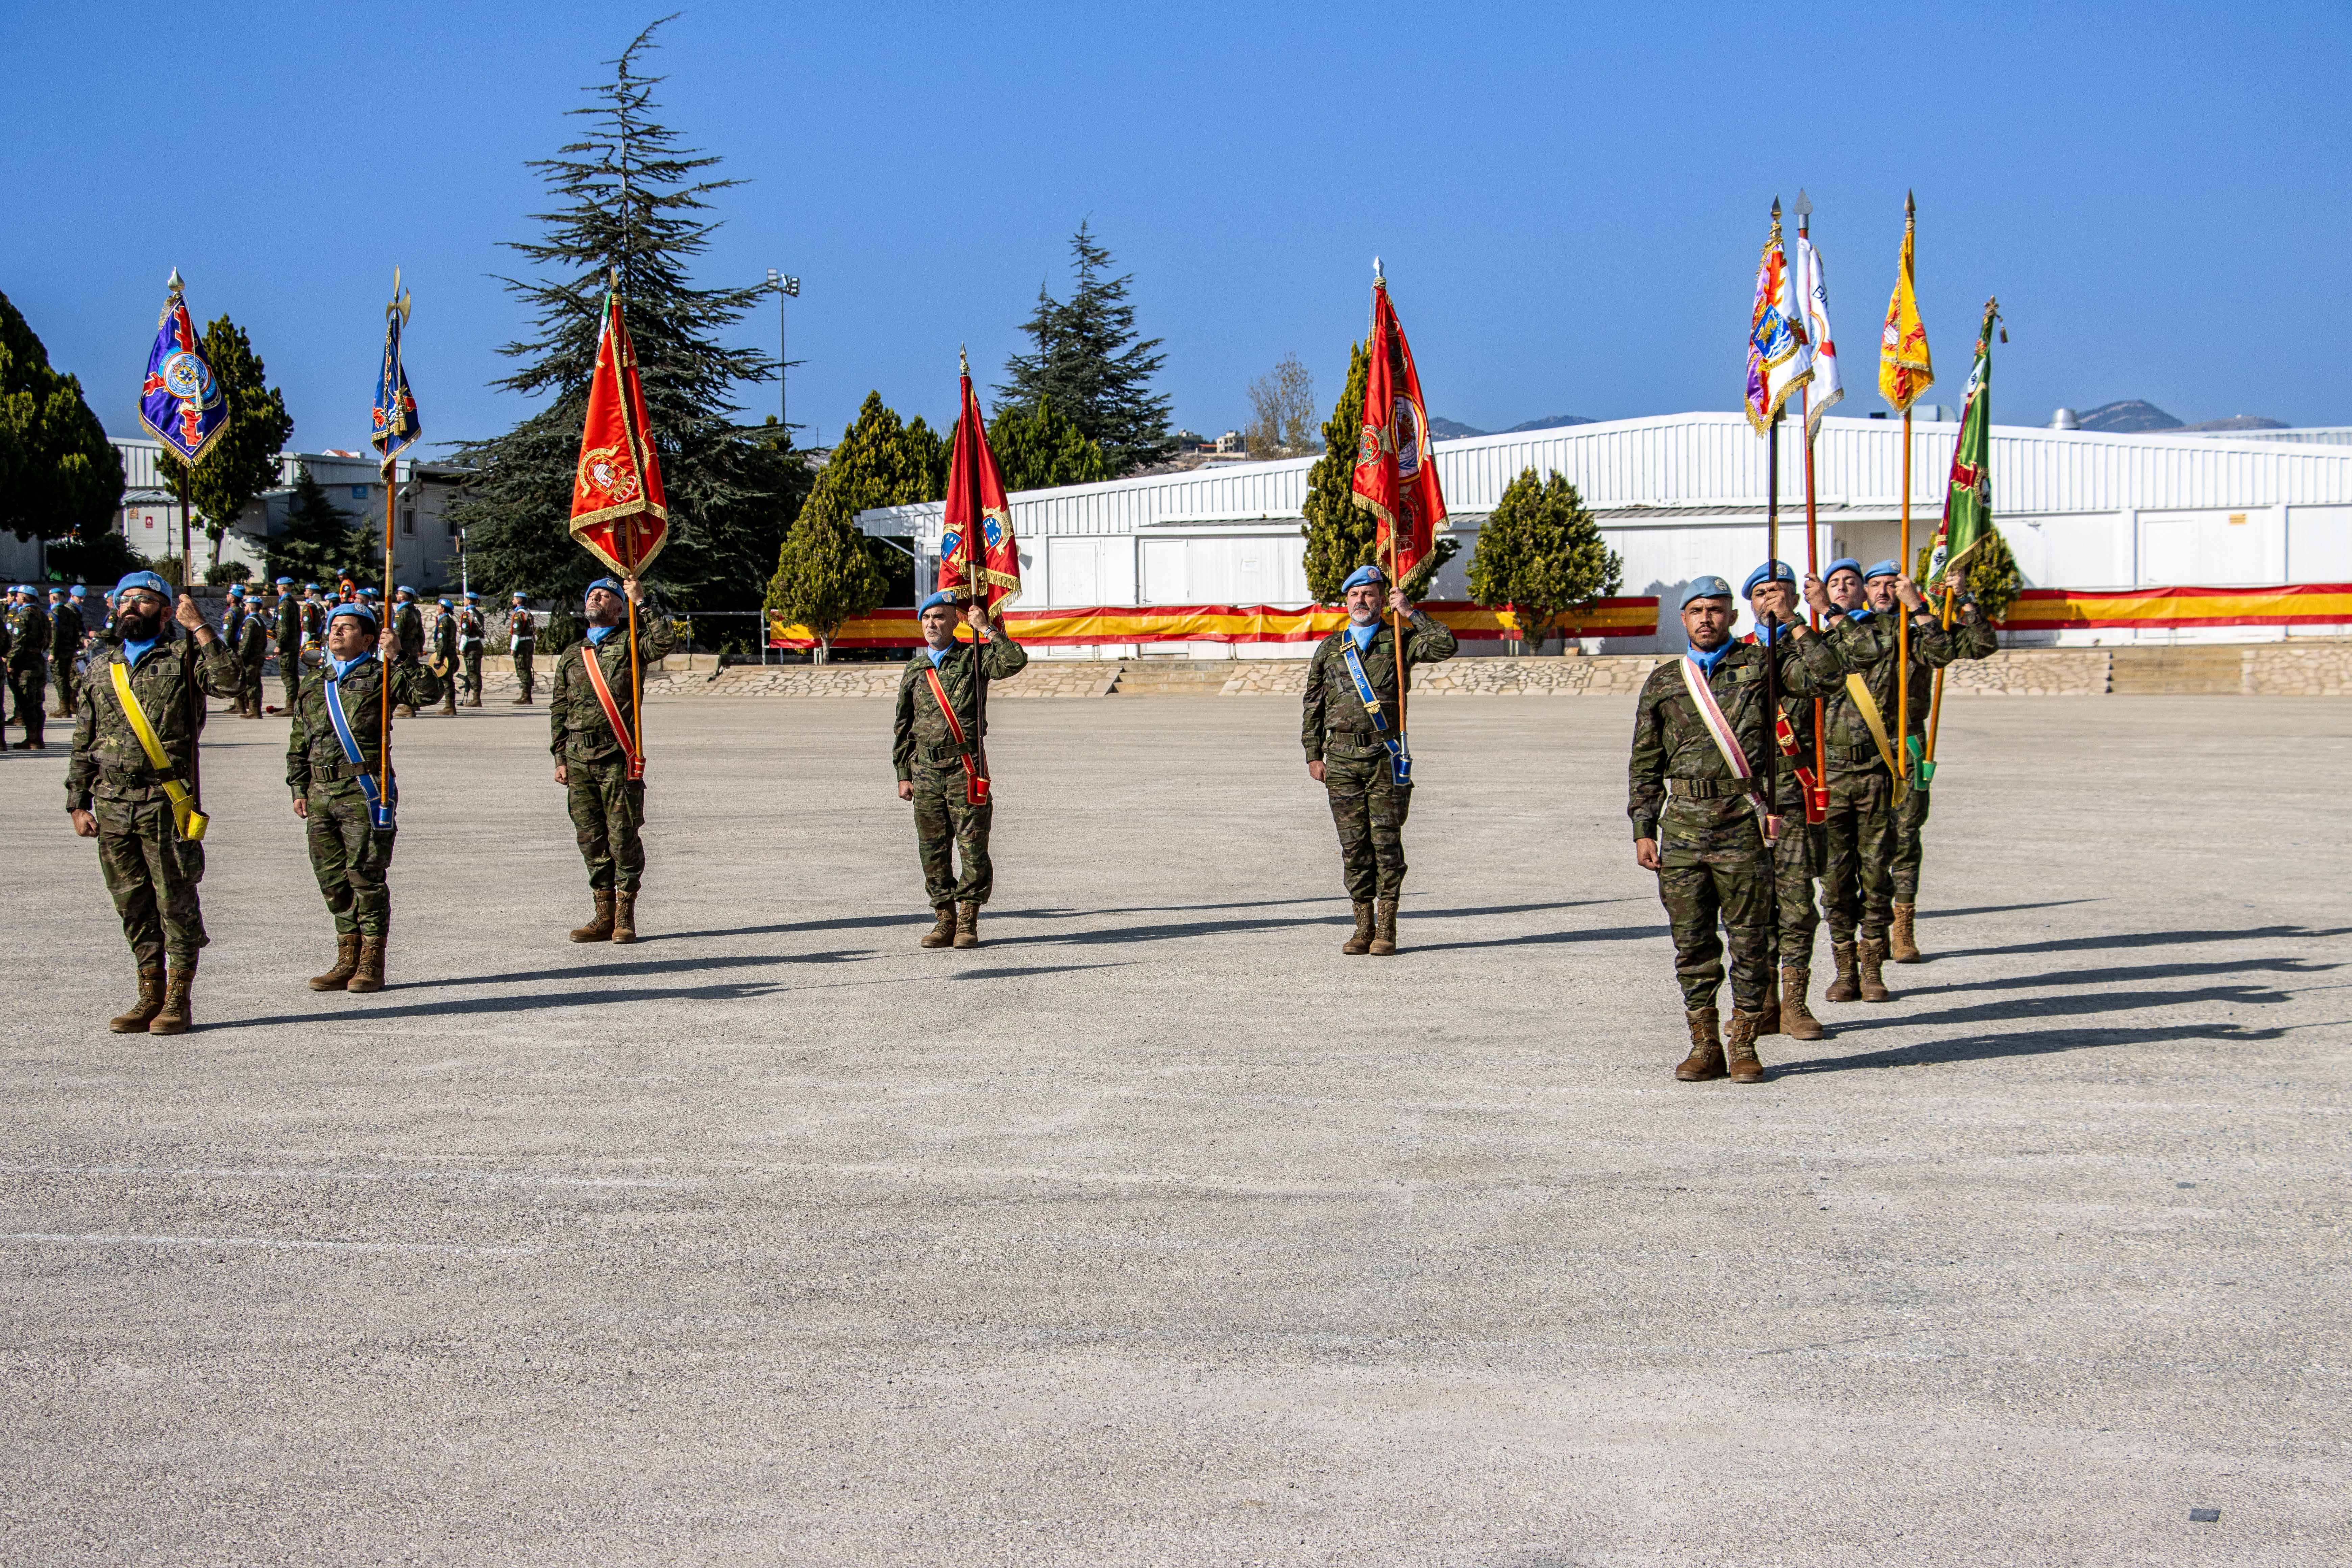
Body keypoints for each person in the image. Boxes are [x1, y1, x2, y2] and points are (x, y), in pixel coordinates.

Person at [1629, 575, 1847, 1084]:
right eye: (1697, 610)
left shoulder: (1761, 666)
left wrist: (1793, 620)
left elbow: (1829, 679)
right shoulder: (1666, 679)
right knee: (1693, 945)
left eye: (1717, 609)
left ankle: (1745, 1041)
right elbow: (1644, 760)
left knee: (1750, 941)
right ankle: (1704, 1044)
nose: (1707, 618)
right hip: (1681, 828)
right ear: (1683, 619)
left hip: (1741, 824)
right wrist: (1643, 826)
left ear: (1732, 616)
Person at [65, 572, 240, 1034]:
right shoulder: (102, 666)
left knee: (175, 903)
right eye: (125, 599)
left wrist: (200, 627)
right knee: (132, 904)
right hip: (111, 802)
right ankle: (149, 994)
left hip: (166, 803)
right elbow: (84, 737)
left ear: (165, 612)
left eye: (143, 601)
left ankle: (178, 1001)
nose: (131, 607)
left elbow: (231, 684)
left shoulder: (184, 658)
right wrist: (76, 802)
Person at [1736, 559, 1864, 1042]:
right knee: (1751, 907)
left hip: (1793, 794)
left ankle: (1794, 1003)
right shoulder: (1736, 654)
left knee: (1795, 904)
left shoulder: (1810, 647)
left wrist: (1800, 620)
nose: (1772, 599)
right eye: (1764, 592)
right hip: (1745, 801)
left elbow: (1840, 672)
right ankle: (1761, 1003)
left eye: (1782, 591)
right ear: (1749, 602)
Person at [1302, 562, 1457, 956]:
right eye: (1354, 594)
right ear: (1346, 600)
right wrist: (1312, 753)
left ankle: (1386, 930)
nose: (1361, 600)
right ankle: (1362, 928)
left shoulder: (1400, 641)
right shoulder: (1330, 648)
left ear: (1382, 600)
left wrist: (1411, 613)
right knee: (1354, 846)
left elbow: (1446, 644)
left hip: (1384, 757)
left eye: (1369, 594)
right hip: (1340, 760)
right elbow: (1313, 704)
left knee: (1386, 843)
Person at [287, 601, 424, 994]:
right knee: (331, 879)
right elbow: (300, 738)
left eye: (347, 628)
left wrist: (399, 655)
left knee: (365, 875)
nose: (336, 632)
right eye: (334, 626)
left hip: (363, 789)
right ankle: (347, 955)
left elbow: (425, 692)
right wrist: (298, 785)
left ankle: (371, 961)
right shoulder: (316, 681)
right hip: (319, 792)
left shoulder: (381, 673)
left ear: (366, 638)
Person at [892, 589, 1028, 949]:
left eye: (939, 617)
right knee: (932, 849)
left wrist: (988, 630)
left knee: (972, 846)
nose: (932, 624)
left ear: (957, 620)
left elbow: (1015, 661)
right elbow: (904, 726)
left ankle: (968, 919)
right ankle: (944, 918)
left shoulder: (974, 657)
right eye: (926, 618)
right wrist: (903, 774)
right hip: (924, 770)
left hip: (965, 768)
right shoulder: (915, 668)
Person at [550, 575, 673, 943]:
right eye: (592, 593)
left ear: (619, 608)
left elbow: (666, 641)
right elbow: (559, 706)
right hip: (577, 757)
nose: (596, 598)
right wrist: (559, 756)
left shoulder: (632, 643)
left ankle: (625, 915)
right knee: (590, 838)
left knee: (622, 838)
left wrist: (642, 602)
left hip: (616, 755)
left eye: (606, 595)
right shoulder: (574, 653)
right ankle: (602, 914)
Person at [1886, 564, 1999, 962]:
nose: (1884, 591)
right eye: (1876, 585)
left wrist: (1964, 598)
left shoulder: (1924, 632)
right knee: (1857, 846)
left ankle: (1903, 927)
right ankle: (1868, 928)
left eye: (1892, 585)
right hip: (1857, 751)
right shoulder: (1852, 633)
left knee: (1905, 838)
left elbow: (1981, 645)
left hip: (1908, 744)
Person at [8, 582, 53, 750]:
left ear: (25, 598)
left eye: (19, 595)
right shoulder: (42, 615)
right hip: (39, 661)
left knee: (27, 702)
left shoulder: (24, 616)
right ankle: (38, 739)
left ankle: (32, 740)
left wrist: (11, 662)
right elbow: (49, 638)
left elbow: (18, 642)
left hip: (25, 663)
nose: (17, 598)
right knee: (37, 703)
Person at [235, 586, 271, 717]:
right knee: (256, 683)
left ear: (250, 608)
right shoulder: (260, 621)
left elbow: (245, 643)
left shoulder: (250, 622)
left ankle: (254, 711)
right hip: (258, 657)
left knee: (251, 684)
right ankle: (255, 710)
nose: (244, 609)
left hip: (250, 659)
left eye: (246, 607)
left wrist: (240, 657)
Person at [49, 587, 84, 719]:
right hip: (70, 651)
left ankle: (65, 708)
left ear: (53, 598)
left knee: (60, 679)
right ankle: (69, 705)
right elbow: (77, 632)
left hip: (59, 652)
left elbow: (54, 635)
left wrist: (52, 653)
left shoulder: (55, 612)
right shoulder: (70, 612)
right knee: (67, 677)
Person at [391, 586, 426, 717]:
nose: (397, 596)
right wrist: (420, 648)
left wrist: (394, 650)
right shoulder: (415, 611)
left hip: (403, 648)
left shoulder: (403, 613)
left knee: (402, 676)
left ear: (404, 597)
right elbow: (421, 632)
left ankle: (407, 708)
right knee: (412, 675)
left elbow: (397, 633)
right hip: (413, 647)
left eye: (399, 594)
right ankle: (413, 703)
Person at [273, 578, 303, 714]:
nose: (277, 590)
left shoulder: (284, 605)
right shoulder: (294, 604)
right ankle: (295, 704)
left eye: (278, 587)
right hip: (294, 644)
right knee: (293, 674)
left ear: (283, 588)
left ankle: (290, 706)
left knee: (288, 675)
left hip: (287, 646)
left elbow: (283, 627)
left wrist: (280, 645)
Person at [429, 597, 460, 715]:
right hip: (451, 653)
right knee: (449, 681)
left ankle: (450, 707)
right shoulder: (450, 621)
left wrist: (438, 658)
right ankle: (450, 706)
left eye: (439, 606)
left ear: (443, 609)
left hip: (446, 654)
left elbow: (442, 642)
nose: (437, 608)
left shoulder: (444, 622)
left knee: (447, 681)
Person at [508, 591, 538, 705]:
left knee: (522, 669)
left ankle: (526, 696)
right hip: (529, 643)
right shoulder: (527, 613)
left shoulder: (519, 615)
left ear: (519, 601)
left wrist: (513, 649)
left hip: (522, 645)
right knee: (527, 667)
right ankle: (527, 695)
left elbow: (516, 634)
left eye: (514, 599)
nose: (513, 601)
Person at [458, 591, 486, 707]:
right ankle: (476, 698)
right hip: (478, 645)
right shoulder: (479, 614)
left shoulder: (468, 615)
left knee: (473, 673)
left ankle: (476, 699)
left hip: (471, 647)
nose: (464, 601)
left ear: (469, 601)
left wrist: (462, 648)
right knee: (476, 672)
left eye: (465, 600)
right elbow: (482, 634)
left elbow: (465, 633)